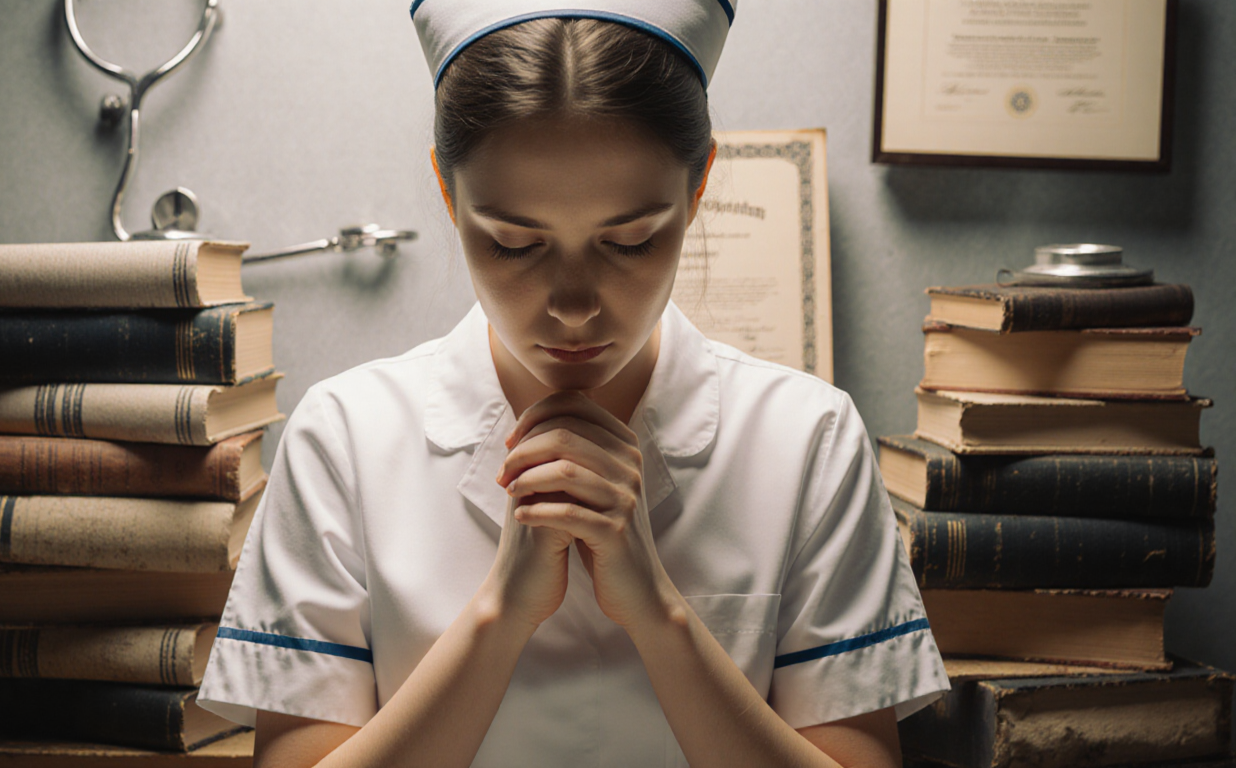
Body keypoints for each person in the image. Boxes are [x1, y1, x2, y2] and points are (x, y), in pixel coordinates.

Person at [196, 2, 950, 766]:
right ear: (448, 194)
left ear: (698, 190)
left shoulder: (807, 438)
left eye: (629, 241)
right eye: (514, 244)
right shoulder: (346, 437)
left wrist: (659, 615)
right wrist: (500, 613)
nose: (574, 305)